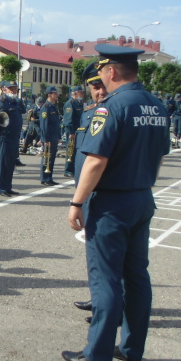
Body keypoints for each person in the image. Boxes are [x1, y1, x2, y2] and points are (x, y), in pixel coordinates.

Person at [63, 44, 170, 361]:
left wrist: (76, 202)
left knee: (105, 278)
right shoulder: (157, 105)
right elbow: (160, 151)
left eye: (102, 73)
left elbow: (95, 160)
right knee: (137, 277)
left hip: (111, 203)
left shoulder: (110, 108)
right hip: (142, 197)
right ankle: (132, 349)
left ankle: (97, 353)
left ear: (110, 72)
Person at [72, 61, 109, 319]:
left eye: (103, 85)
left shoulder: (114, 112)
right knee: (94, 253)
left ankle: (108, 308)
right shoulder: (88, 113)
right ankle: (98, 299)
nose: (99, 91)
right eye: (95, 86)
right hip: (87, 194)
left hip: (105, 194)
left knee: (108, 257)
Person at [0, 82, 24, 196]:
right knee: (3, 164)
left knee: (11, 163)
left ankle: (8, 186)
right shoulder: (1, 103)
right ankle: (1, 188)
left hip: (14, 137)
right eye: (10, 89)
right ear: (5, 90)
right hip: (5, 136)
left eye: (15, 89)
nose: (13, 91)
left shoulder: (15, 102)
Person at [39, 86, 61, 186]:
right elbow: (44, 125)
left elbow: (56, 123)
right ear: (49, 94)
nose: (57, 95)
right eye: (55, 93)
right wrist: (45, 139)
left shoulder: (53, 107)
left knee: (51, 158)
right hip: (48, 137)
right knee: (46, 158)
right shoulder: (45, 108)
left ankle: (49, 177)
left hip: (54, 137)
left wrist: (59, 136)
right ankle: (44, 178)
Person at [63, 86, 84, 178]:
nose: (82, 94)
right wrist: (71, 132)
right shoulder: (70, 104)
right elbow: (68, 120)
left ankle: (73, 169)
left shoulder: (78, 103)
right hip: (72, 132)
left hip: (77, 131)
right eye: (80, 92)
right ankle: (68, 170)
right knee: (70, 150)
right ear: (75, 93)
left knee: (74, 151)